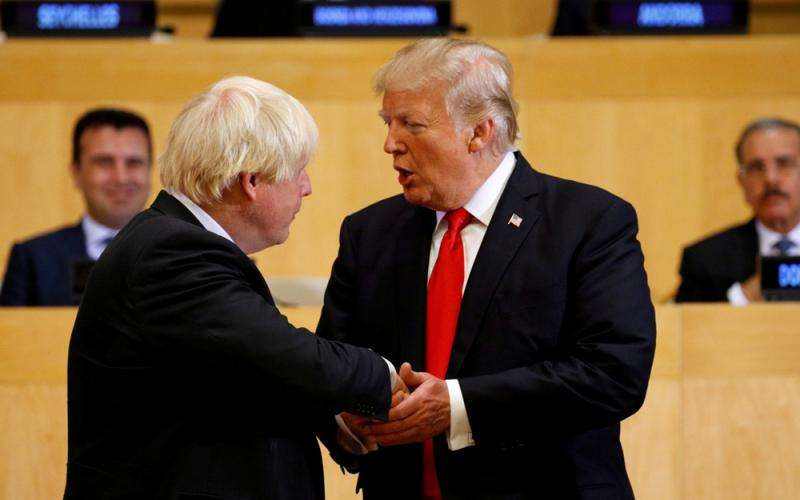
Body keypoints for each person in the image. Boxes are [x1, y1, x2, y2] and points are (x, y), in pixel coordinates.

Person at [317, 39, 656, 499]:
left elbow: (614, 373)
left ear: (479, 132)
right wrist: (347, 423)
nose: (390, 144)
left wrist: (458, 406)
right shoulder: (369, 232)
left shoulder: (588, 222)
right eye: (387, 122)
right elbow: (332, 366)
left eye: (411, 124)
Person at [64, 76, 403, 500]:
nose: (307, 187)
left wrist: (332, 420)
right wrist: (387, 375)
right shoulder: (171, 252)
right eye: (298, 171)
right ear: (252, 181)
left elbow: (244, 370)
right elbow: (282, 352)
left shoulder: (174, 241)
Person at [0, 108, 152, 306]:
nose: (121, 177)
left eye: (133, 163)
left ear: (150, 171)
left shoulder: (181, 254)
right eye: (104, 162)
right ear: (76, 172)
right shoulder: (33, 259)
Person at [675, 118, 800, 303]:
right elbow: (690, 320)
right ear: (742, 181)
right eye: (756, 168)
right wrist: (744, 296)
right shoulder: (706, 260)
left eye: (783, 163)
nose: (770, 178)